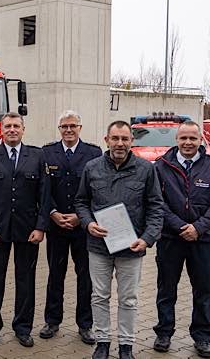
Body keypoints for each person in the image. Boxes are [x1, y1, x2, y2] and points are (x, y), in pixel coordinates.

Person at [75, 120, 164, 359]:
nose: (120, 143)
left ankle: (126, 346)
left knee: (128, 299)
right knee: (99, 296)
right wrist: (88, 223)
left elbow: (156, 207)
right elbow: (81, 201)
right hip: (98, 246)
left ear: (131, 141)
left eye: (125, 139)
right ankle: (102, 341)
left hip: (132, 247)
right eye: (115, 138)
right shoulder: (92, 167)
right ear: (107, 140)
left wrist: (147, 238)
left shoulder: (146, 169)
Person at [152, 120, 210, 358]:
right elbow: (156, 201)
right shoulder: (161, 165)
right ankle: (164, 333)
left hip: (203, 240)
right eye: (183, 138)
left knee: (203, 290)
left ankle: (203, 337)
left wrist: (198, 227)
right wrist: (178, 226)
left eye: (192, 138)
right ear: (176, 140)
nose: (188, 143)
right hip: (170, 239)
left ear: (200, 140)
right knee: (166, 289)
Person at [0, 112, 50, 348]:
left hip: (27, 230)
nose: (12, 130)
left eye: (16, 126)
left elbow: (44, 195)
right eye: (8, 126)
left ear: (23, 130)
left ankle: (23, 327)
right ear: (1, 129)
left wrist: (40, 227)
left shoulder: (37, 156)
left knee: (26, 280)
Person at [39, 110, 101, 345]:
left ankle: (85, 324)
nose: (68, 130)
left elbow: (97, 189)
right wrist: (53, 213)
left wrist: (80, 217)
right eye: (64, 126)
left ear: (80, 128)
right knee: (55, 274)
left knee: (85, 276)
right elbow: (44, 189)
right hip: (56, 226)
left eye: (72, 126)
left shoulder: (93, 153)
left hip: (83, 227)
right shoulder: (47, 153)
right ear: (59, 129)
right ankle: (52, 321)